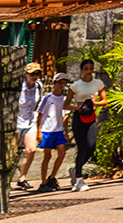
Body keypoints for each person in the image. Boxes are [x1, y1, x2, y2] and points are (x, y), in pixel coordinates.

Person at [66, 58, 108, 192]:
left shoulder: (98, 83)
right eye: (86, 69)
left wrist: (95, 103)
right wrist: (77, 108)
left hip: (91, 118)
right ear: (81, 70)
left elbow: (104, 101)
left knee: (91, 146)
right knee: (82, 147)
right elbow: (65, 104)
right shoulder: (76, 86)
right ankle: (78, 180)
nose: (88, 71)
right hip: (79, 118)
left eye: (90, 69)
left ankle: (75, 169)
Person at [35, 73, 71, 193]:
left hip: (59, 130)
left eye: (63, 83)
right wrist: (39, 131)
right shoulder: (47, 98)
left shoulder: (65, 99)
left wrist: (66, 131)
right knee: (47, 156)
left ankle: (52, 177)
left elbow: (65, 116)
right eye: (59, 82)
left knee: (62, 153)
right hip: (47, 130)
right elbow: (39, 114)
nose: (61, 85)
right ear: (54, 84)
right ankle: (43, 181)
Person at [13, 62, 44, 190]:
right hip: (16, 121)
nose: (35, 76)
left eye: (37, 74)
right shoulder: (20, 87)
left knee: (31, 149)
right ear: (26, 74)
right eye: (32, 74)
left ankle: (22, 178)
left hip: (30, 121)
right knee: (11, 153)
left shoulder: (39, 86)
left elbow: (40, 104)